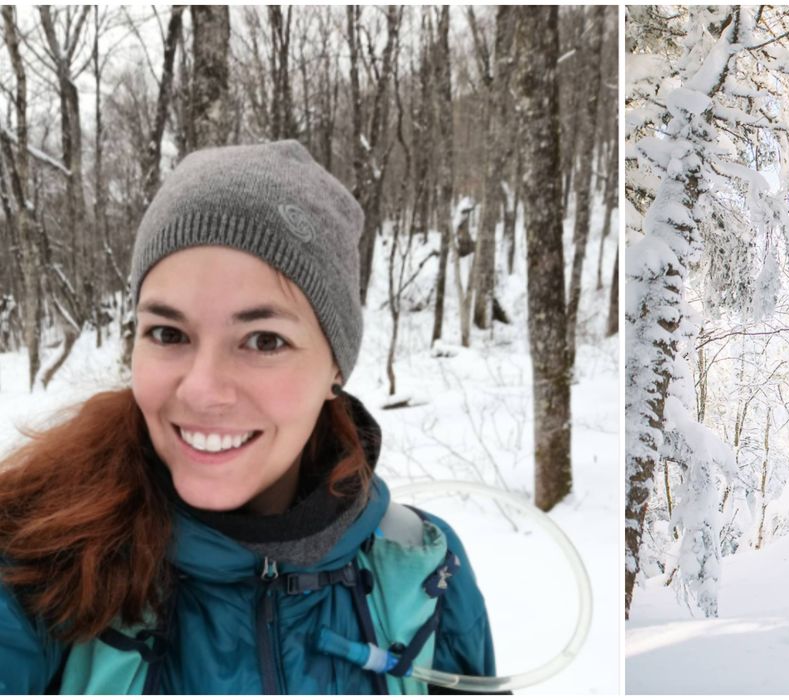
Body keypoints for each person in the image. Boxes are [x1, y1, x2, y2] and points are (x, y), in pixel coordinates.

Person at [0, 141, 496, 693]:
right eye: (168, 333)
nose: (203, 389)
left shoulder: (422, 573)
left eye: (263, 340)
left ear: (336, 365)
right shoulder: (34, 569)